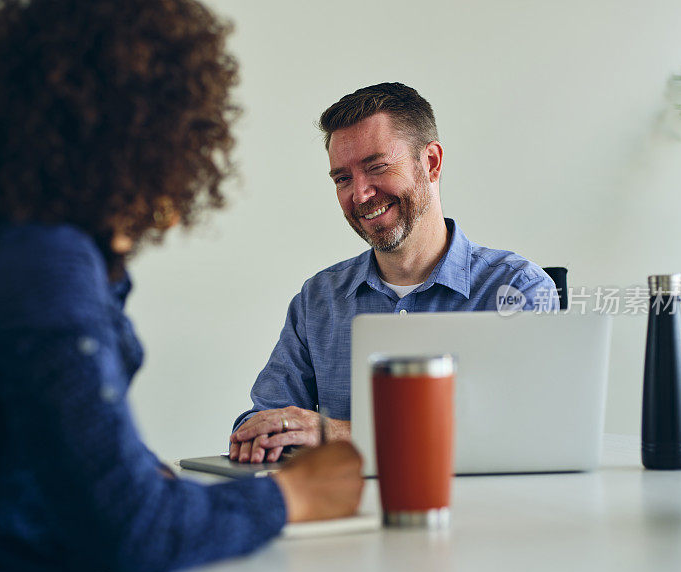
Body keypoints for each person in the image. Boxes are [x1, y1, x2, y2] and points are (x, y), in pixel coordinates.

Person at [0, 0, 363, 572]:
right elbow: (130, 527)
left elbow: (74, 464)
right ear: (138, 128)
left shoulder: (16, 254)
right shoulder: (44, 268)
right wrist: (292, 495)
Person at [230, 82, 559, 464]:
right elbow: (265, 416)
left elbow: (529, 431)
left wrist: (334, 433)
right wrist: (262, 433)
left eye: (376, 168)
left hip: (478, 517)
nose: (360, 194)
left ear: (431, 163)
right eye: (343, 179)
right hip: (340, 517)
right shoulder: (318, 299)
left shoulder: (516, 288)